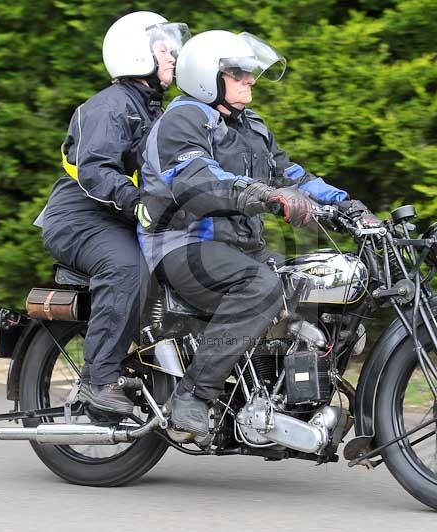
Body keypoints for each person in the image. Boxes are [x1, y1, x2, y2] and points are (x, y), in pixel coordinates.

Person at [137, 30, 367, 436]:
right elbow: (200, 180)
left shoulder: (251, 126)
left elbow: (293, 175)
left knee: (314, 285)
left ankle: (278, 396)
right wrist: (266, 194)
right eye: (238, 73)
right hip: (185, 243)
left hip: (239, 245)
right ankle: (194, 393)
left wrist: (347, 206)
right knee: (260, 287)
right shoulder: (182, 120)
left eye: (250, 73)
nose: (250, 80)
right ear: (208, 76)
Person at [38, 12, 190, 415]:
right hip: (81, 220)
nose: (173, 55)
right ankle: (98, 378)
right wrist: (136, 201)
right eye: (164, 48)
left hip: (122, 219)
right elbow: (95, 169)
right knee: (126, 267)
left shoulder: (158, 111)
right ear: (135, 54)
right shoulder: (109, 107)